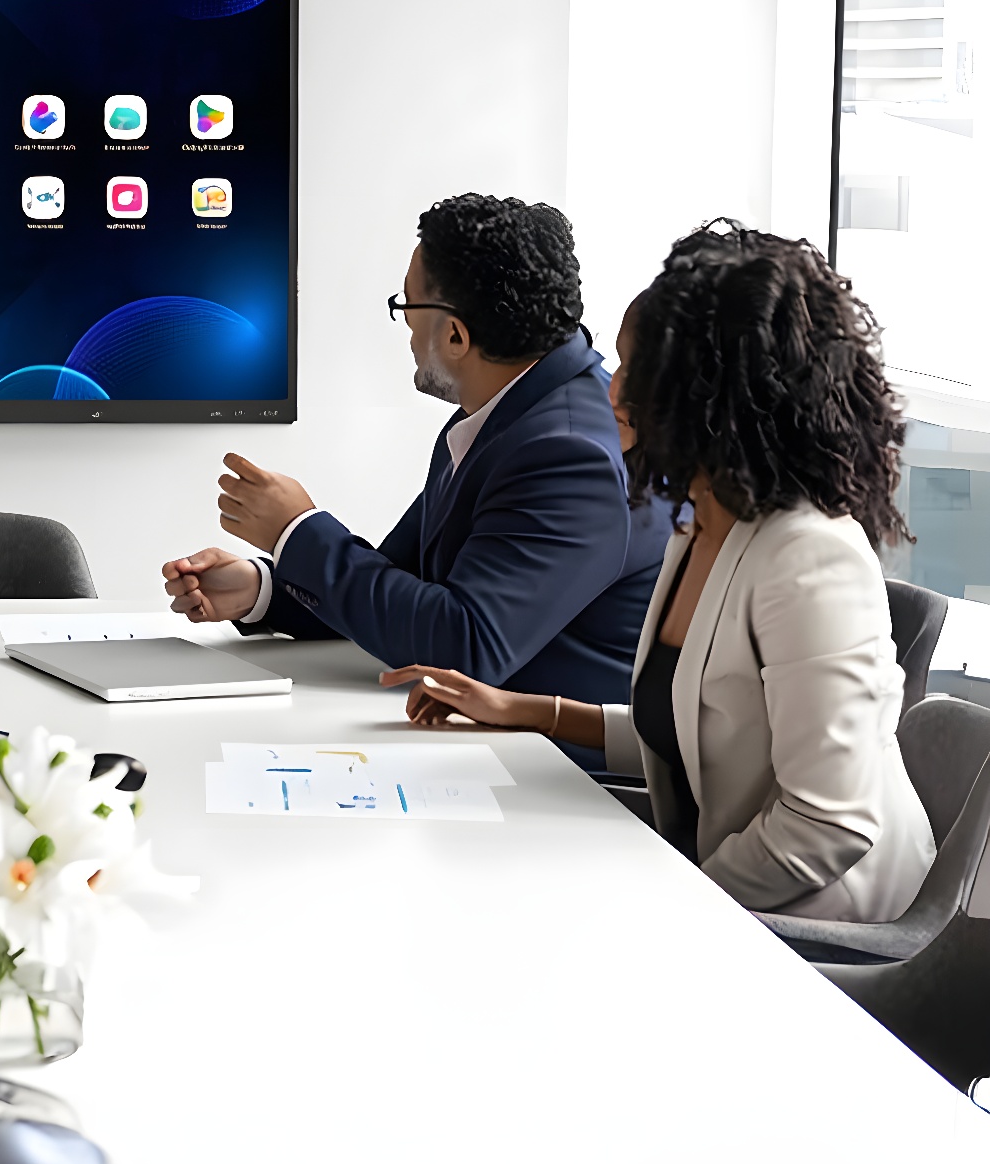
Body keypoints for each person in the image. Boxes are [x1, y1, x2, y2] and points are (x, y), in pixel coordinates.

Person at [384, 224, 935, 924]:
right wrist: (526, 710)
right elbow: (697, 729)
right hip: (720, 883)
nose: (612, 389)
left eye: (635, 370)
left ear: (712, 393)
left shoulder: (809, 558)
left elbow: (829, 827)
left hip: (819, 922)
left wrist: (668, 903)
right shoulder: (701, 519)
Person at [163, 193, 672, 714]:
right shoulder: (505, 413)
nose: (404, 326)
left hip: (570, 778)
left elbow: (464, 648)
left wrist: (297, 529)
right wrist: (262, 588)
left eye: (407, 306)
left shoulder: (568, 450)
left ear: (454, 333)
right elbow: (401, 588)